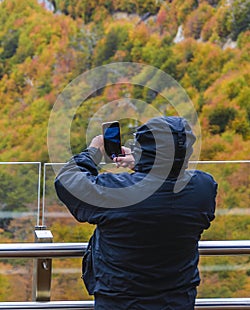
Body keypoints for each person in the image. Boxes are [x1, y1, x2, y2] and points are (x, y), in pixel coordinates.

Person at [55, 116, 217, 310]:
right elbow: (166, 183)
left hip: (120, 300)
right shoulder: (203, 188)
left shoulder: (118, 193)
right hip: (177, 299)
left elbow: (68, 180)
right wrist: (145, 165)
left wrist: (93, 151)